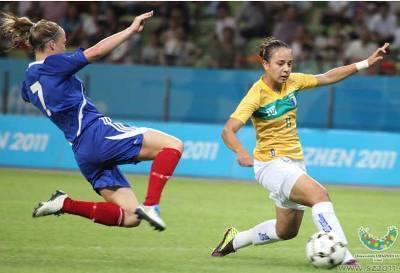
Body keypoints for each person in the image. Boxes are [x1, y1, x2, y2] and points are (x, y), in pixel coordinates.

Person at [211, 37, 389, 266]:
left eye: (290, 63)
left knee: (285, 231)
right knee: (319, 195)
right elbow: (228, 130)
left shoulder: (294, 82)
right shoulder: (256, 94)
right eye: (280, 63)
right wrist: (241, 152)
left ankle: (236, 240)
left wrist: (365, 63)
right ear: (265, 64)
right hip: (270, 164)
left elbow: (327, 76)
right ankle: (345, 255)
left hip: (294, 163)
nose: (286, 69)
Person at [0, 11, 184, 231]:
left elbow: (32, 94)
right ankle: (152, 205)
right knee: (173, 145)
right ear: (50, 46)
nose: (64, 49)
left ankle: (65, 204)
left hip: (82, 152)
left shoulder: (28, 82)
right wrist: (130, 30)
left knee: (131, 217)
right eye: (63, 43)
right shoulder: (53, 64)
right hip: (97, 133)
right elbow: (95, 52)